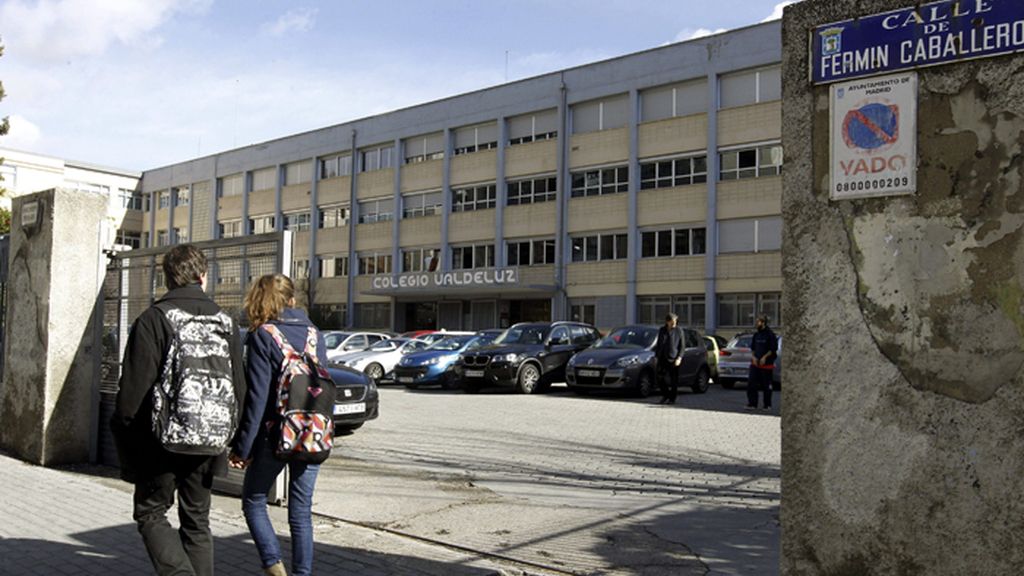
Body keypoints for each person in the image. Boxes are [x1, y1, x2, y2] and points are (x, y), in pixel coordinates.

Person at [111, 244, 246, 576]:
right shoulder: (226, 322)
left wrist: (129, 447)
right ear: (203, 275)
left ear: (167, 278)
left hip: (160, 442)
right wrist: (233, 436)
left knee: (151, 513)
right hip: (210, 438)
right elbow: (240, 387)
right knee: (197, 521)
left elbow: (132, 395)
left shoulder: (154, 319)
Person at [230, 274, 328, 576]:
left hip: (274, 436)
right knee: (301, 512)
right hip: (314, 434)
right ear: (292, 300)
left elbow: (257, 399)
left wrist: (242, 448)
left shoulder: (263, 335)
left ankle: (274, 567)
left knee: (254, 500)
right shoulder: (315, 334)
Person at [747, 315, 778, 411]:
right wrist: (753, 357)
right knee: (752, 384)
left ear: (763, 322)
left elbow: (772, 349)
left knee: (766, 386)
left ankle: (767, 405)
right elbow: (752, 348)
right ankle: (752, 404)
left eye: (758, 322)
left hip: (766, 365)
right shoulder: (756, 335)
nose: (756, 324)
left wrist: (764, 357)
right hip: (755, 364)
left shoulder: (770, 335)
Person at [654, 312, 684, 405]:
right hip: (662, 358)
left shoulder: (679, 331)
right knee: (660, 378)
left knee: (674, 380)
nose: (674, 324)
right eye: (672, 322)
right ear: (667, 322)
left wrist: (679, 357)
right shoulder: (662, 330)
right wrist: (656, 356)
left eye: (675, 321)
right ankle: (666, 395)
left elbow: (682, 346)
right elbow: (659, 344)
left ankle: (672, 398)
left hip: (674, 359)